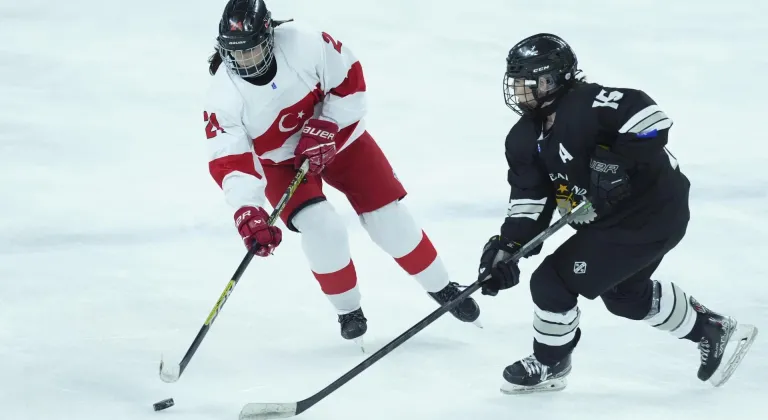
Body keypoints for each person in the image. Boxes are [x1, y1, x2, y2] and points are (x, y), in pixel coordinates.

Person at [476, 33, 757, 393]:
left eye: (528, 82)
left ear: (552, 79)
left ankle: (550, 362)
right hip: (616, 222)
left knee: (552, 281)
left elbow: (650, 118)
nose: (519, 92)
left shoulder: (590, 103)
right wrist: (508, 247)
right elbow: (529, 197)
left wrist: (613, 162)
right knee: (624, 296)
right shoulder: (523, 138)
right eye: (516, 83)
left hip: (649, 212)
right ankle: (713, 330)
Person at [202, 0, 480, 344]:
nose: (244, 60)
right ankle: (348, 310)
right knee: (323, 228)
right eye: (235, 52)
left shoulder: (305, 43)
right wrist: (248, 209)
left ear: (269, 35)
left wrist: (329, 123)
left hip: (338, 137)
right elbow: (230, 160)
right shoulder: (223, 97)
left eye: (251, 49)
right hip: (279, 164)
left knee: (387, 218)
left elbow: (351, 82)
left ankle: (442, 286)